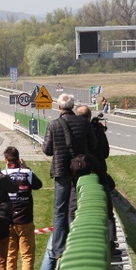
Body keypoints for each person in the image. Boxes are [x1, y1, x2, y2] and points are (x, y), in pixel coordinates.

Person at [42, 93, 96, 259]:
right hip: (81, 170)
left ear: (58, 107)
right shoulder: (83, 123)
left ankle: (59, 249)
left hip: (61, 171)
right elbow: (93, 144)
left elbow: (47, 150)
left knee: (60, 210)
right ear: (72, 106)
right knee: (79, 207)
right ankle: (80, 241)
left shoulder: (54, 125)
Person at [2, 146, 43, 270]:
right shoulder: (27, 173)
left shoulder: (2, 175)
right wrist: (26, 168)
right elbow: (38, 185)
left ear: (6, 160)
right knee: (27, 257)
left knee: (10, 257)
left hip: (8, 221)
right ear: (19, 159)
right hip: (25, 220)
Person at [78, 106, 118, 251]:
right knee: (108, 210)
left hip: (80, 173)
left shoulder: (77, 130)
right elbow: (106, 152)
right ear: (89, 117)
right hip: (100, 171)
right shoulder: (96, 129)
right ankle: (112, 241)